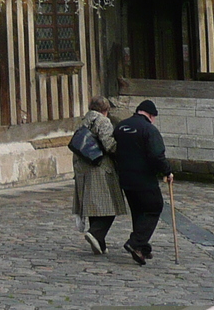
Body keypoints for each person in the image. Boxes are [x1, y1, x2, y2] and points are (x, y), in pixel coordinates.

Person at [112, 99, 170, 265]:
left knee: (138, 211)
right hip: (144, 177)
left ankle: (142, 248)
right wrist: (167, 171)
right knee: (154, 206)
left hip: (125, 177)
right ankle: (135, 243)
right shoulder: (149, 129)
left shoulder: (121, 126)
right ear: (151, 115)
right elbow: (157, 155)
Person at [71, 96, 128, 255]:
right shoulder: (103, 122)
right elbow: (109, 145)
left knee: (94, 205)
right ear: (106, 110)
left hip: (83, 169)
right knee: (110, 205)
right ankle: (96, 233)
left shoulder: (82, 122)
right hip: (100, 168)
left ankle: (99, 243)